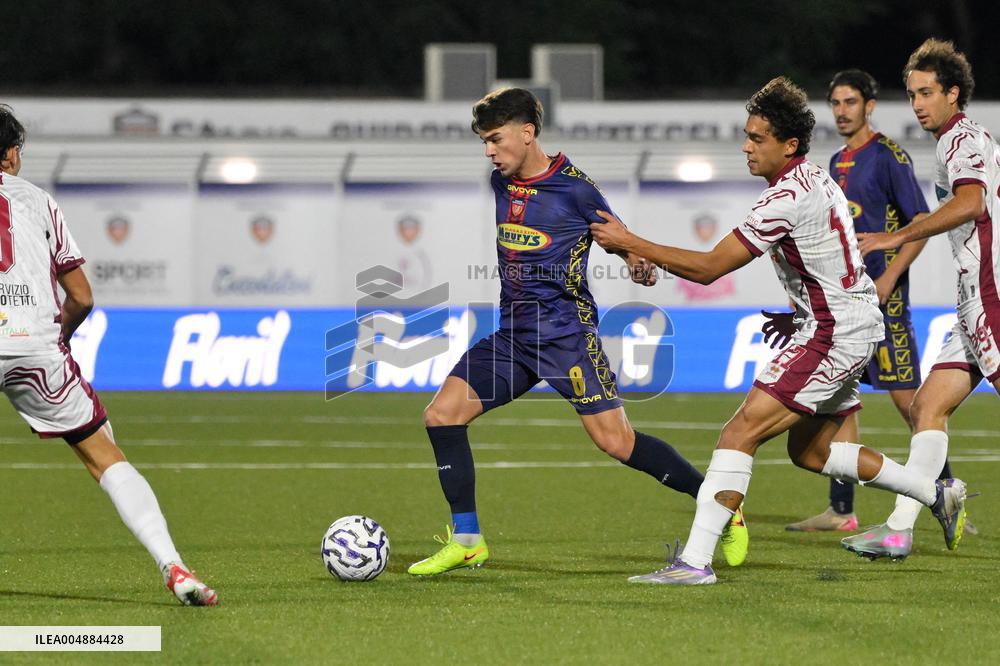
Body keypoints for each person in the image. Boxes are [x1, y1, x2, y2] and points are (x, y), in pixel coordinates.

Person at [589, 77, 967, 585]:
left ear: (788, 145)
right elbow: (839, 256)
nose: (747, 146)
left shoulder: (784, 198)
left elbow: (708, 268)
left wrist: (628, 238)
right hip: (843, 322)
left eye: (758, 138)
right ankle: (933, 491)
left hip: (833, 331)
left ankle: (694, 563)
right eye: (747, 135)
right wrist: (804, 310)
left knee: (738, 432)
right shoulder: (819, 178)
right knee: (810, 453)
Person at [407, 87, 748, 576]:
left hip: (566, 335)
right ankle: (467, 540)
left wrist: (635, 262)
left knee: (616, 442)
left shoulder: (575, 188)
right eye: (484, 141)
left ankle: (723, 506)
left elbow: (614, 234)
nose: (488, 151)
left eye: (495, 139)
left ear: (528, 133)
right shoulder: (500, 182)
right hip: (513, 335)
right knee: (441, 416)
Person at [0, 105, 217, 606]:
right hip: (35, 345)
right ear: (11, 153)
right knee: (104, 455)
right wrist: (60, 339)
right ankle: (175, 567)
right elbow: (82, 297)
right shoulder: (38, 201)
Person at [784, 69, 964, 538]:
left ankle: (948, 491)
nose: (841, 111)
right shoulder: (837, 159)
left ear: (869, 106)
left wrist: (887, 277)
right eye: (835, 103)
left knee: (914, 407)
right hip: (843, 307)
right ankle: (842, 509)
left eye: (850, 102)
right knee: (839, 407)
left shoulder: (887, 156)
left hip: (885, 304)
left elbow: (921, 220)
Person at [849, 38, 998, 559]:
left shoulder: (961, 141)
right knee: (927, 407)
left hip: (990, 296)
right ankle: (898, 529)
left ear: (953, 94)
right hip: (971, 301)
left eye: (928, 93)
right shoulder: (959, 142)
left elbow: (971, 202)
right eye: (912, 94)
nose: (918, 104)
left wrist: (896, 237)